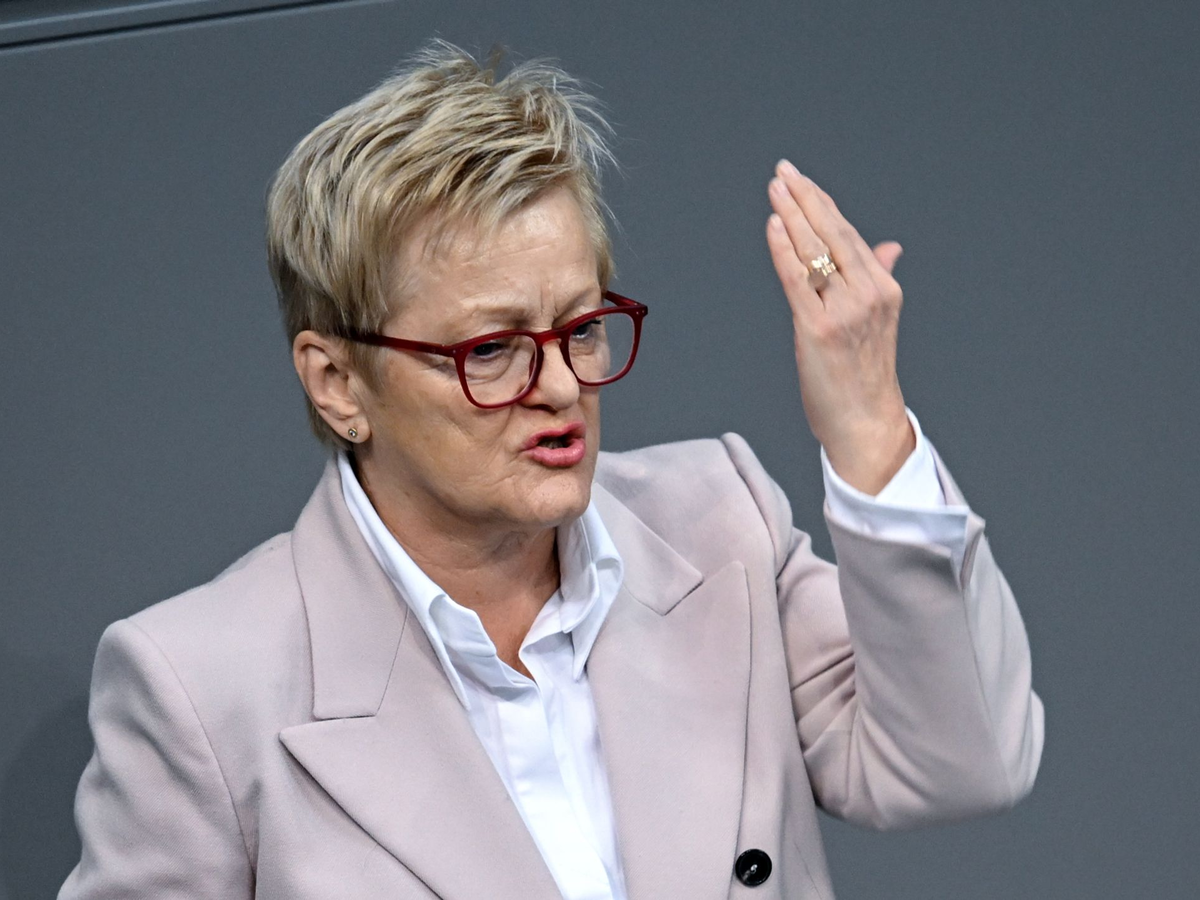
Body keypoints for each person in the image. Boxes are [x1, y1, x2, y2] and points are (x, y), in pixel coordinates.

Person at [58, 39, 1044, 900]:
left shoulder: (720, 526)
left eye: (580, 328)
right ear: (337, 383)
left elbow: (964, 764)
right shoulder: (203, 688)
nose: (563, 386)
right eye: (490, 350)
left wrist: (868, 424)